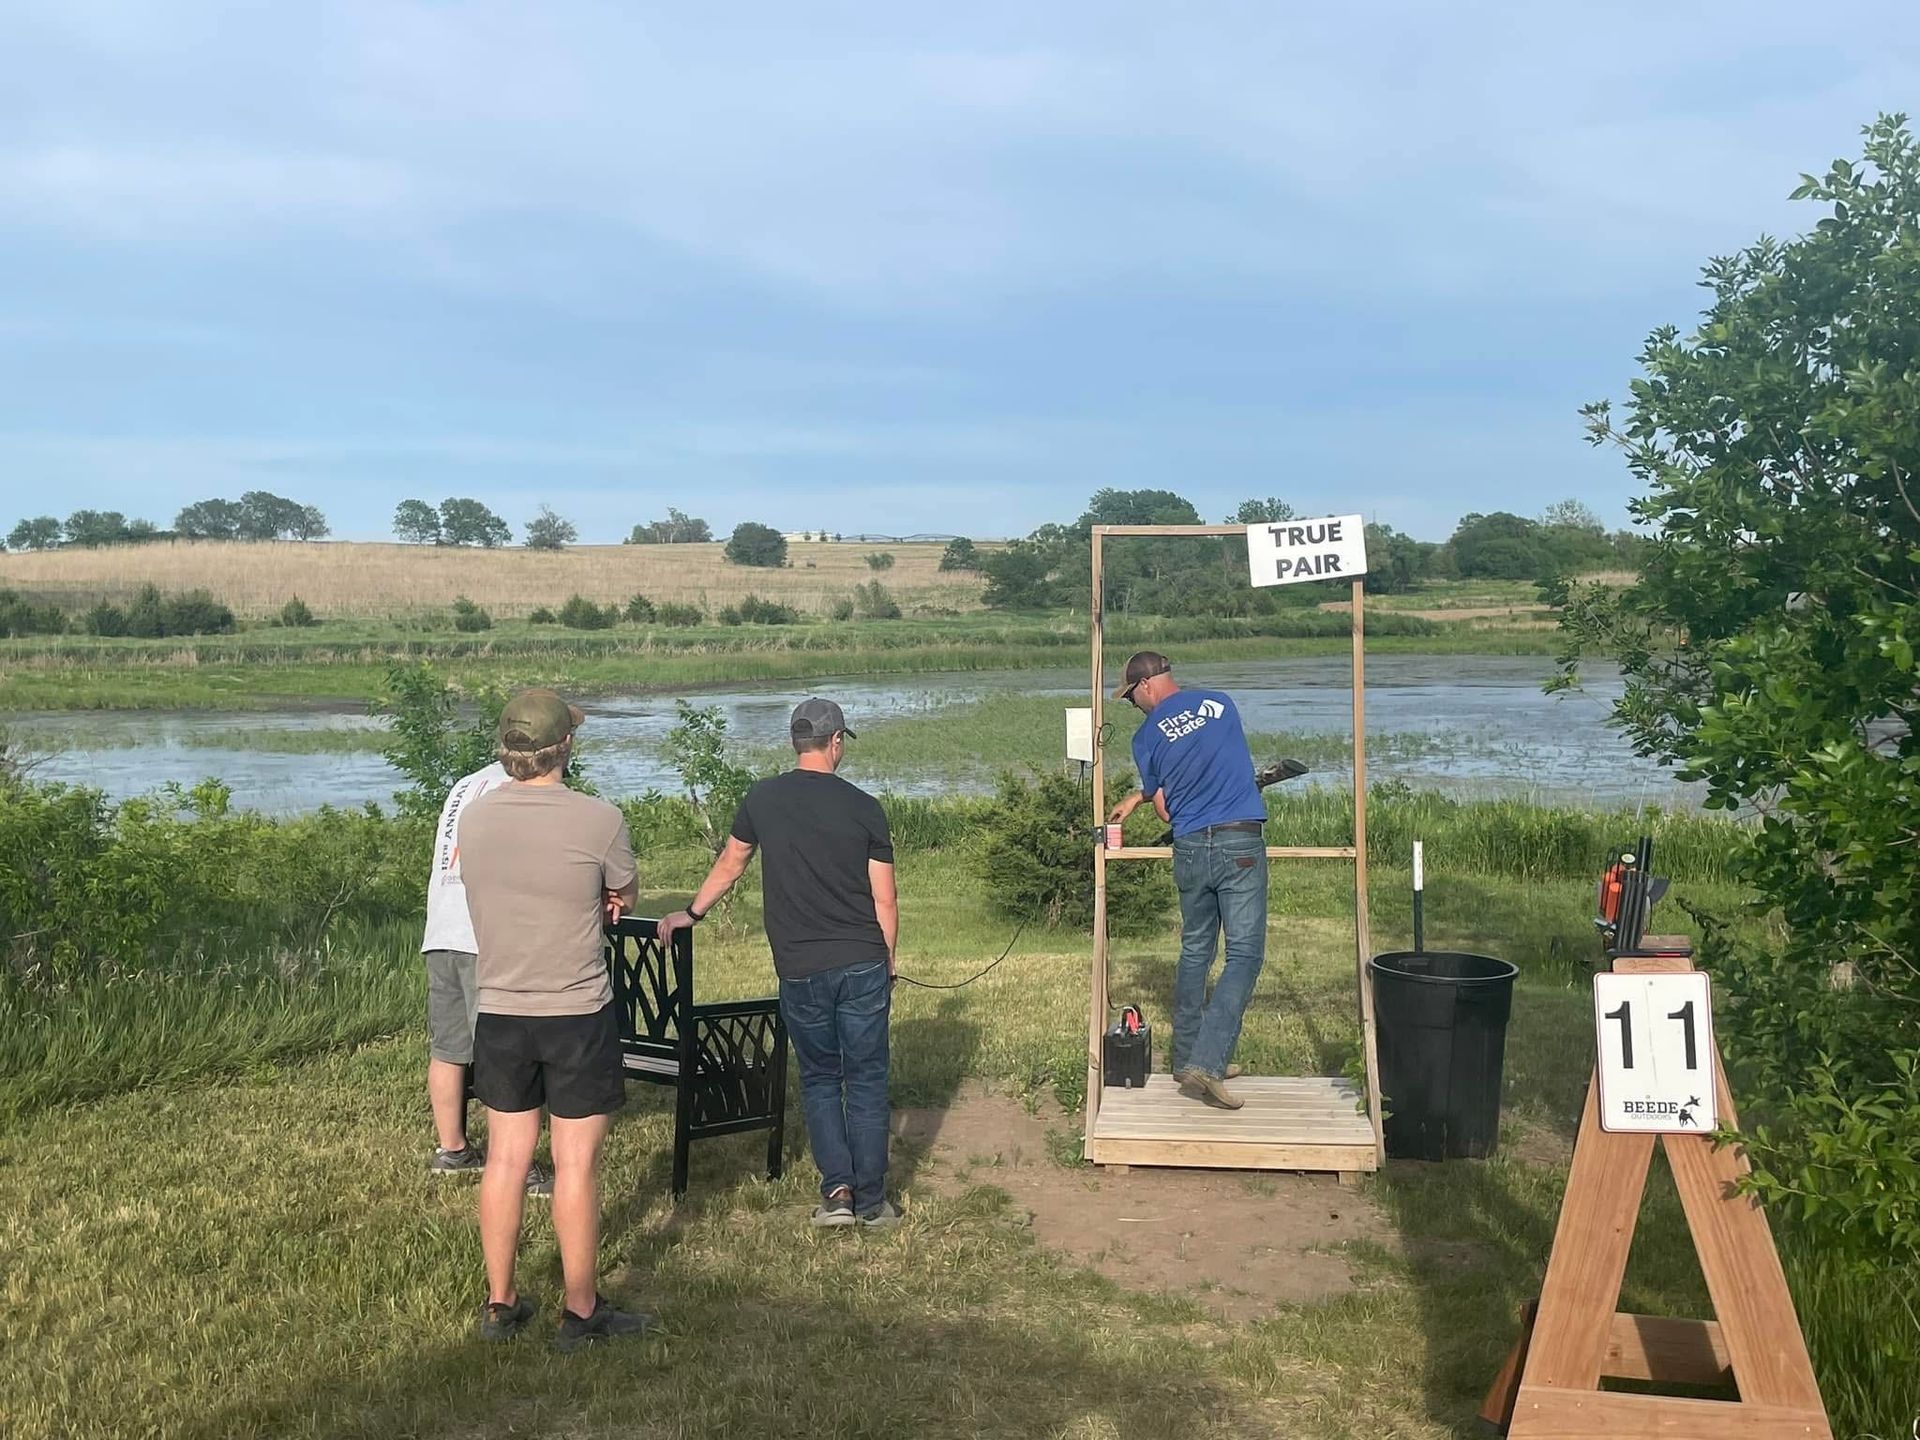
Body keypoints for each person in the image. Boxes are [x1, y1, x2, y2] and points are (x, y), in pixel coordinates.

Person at [456, 688, 650, 1349]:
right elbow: (622, 891)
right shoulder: (599, 819)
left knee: (505, 1161)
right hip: (576, 1012)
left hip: (502, 1010)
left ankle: (499, 1303)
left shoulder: (473, 820)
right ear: (565, 745)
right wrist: (604, 899)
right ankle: (581, 1310)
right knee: (574, 1165)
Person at [659, 697, 900, 1229]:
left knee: (819, 1078)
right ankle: (872, 1200)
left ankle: (835, 1192)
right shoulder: (865, 807)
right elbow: (885, 900)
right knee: (865, 1079)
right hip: (861, 960)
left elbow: (731, 862)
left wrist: (692, 913)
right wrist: (888, 961)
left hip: (799, 967)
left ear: (796, 743)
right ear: (836, 742)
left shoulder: (762, 799)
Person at [1106, 651, 1268, 1110]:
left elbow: (1166, 809)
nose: (1133, 705)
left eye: (1131, 697)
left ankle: (1186, 1058)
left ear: (1144, 686)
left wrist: (1141, 795)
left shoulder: (1145, 738)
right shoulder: (1220, 704)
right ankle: (1208, 1061)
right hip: (1239, 842)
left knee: (1196, 948)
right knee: (1244, 953)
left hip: (1191, 847)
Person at [419, 756, 551, 1197]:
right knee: (503, 1052)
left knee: (449, 1047)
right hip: (482, 935)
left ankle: (452, 1149)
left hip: (441, 930)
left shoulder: (465, 784)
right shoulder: (515, 791)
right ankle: (518, 1164)